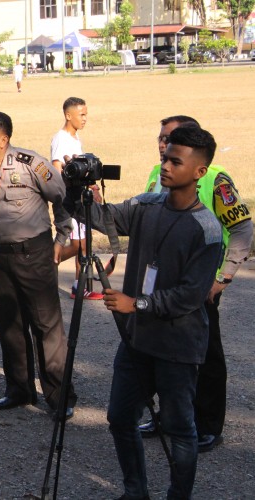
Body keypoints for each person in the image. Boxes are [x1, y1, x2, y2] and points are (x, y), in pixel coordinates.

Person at [71, 125, 223, 500]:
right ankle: (135, 491)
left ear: (199, 172)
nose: (166, 165)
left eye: (176, 161)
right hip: (137, 340)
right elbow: (99, 218)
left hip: (177, 346)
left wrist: (134, 303)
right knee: (120, 418)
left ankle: (178, 495)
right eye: (165, 157)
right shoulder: (145, 206)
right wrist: (72, 188)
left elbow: (189, 297)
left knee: (179, 427)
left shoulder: (207, 230)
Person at [137, 116, 252, 453]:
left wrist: (223, 277)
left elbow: (243, 229)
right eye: (160, 138)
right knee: (157, 352)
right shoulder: (156, 175)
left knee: (205, 357)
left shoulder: (215, 179)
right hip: (158, 285)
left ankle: (207, 424)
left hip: (198, 287)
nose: (162, 145)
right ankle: (166, 417)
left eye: (169, 139)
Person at [0, 111, 76, 418]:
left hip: (34, 254)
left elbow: (62, 196)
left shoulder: (32, 165)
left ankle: (59, 395)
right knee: (10, 325)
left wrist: (62, 237)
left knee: (46, 326)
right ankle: (19, 390)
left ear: (3, 141)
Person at [50, 97, 102, 300]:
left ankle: (80, 287)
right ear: (68, 115)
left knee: (84, 243)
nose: (85, 118)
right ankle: (46, 264)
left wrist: (92, 187)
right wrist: (66, 196)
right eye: (81, 114)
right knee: (78, 245)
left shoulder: (74, 138)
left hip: (79, 199)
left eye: (86, 114)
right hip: (68, 201)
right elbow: (57, 169)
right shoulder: (61, 139)